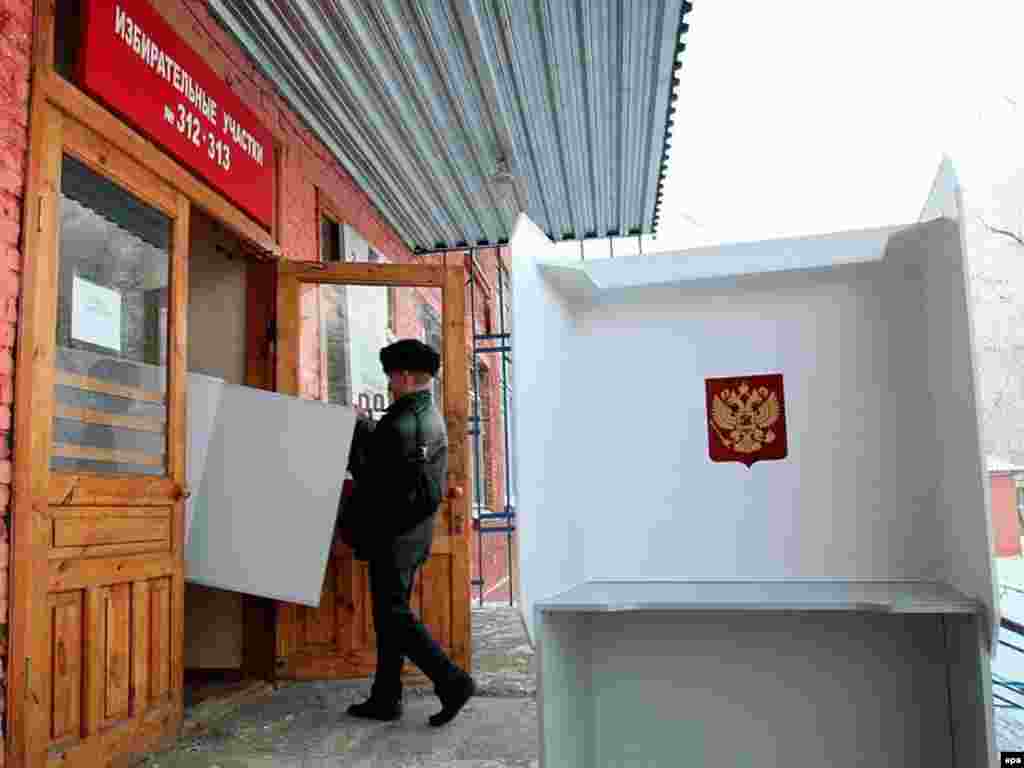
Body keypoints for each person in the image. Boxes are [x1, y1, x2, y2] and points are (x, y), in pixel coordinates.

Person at [344, 338, 476, 726]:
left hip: (392, 536)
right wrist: (364, 424)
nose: (388, 383)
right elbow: (403, 463)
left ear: (402, 376)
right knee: (390, 617)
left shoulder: (403, 423)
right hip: (411, 534)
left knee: (395, 617)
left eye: (389, 377)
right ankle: (386, 696)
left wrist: (354, 442)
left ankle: (451, 681)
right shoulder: (425, 414)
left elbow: (376, 478)